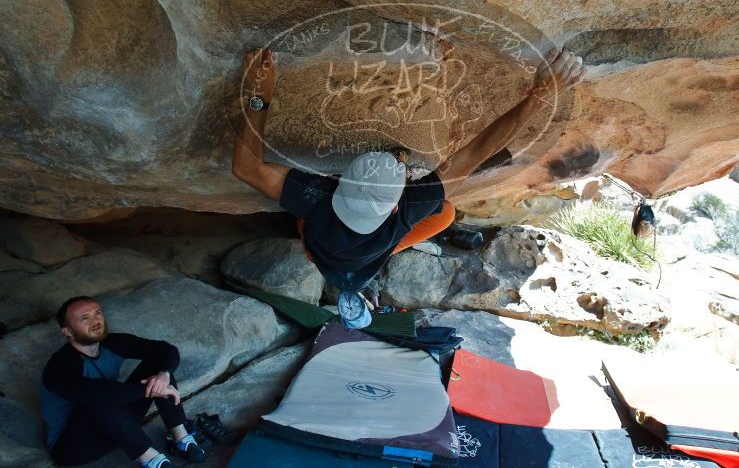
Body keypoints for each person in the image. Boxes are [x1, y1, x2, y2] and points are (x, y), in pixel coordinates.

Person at [231, 46, 586, 322]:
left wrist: (258, 94)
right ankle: (360, 270)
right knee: (444, 214)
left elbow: (246, 168)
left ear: (337, 183)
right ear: (397, 205)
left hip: (325, 250)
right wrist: (541, 95)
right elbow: (477, 152)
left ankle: (344, 265)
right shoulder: (407, 212)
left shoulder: (317, 199)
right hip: (359, 257)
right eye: (403, 171)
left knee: (438, 214)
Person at [40, 296, 205, 467]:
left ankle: (181, 438)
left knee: (158, 369)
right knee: (99, 396)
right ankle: (151, 459)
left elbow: (165, 350)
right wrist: (155, 390)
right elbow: (94, 394)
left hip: (115, 425)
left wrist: (164, 375)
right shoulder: (59, 366)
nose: (95, 320)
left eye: (97, 313)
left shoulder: (112, 343)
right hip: (74, 447)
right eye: (85, 318)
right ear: (67, 331)